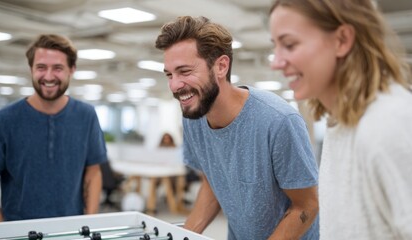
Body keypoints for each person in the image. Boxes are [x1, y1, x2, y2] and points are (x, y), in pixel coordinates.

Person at [155, 16, 319, 240]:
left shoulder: (278, 121)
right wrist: (185, 235)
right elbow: (213, 183)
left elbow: (306, 206)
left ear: (221, 66)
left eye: (184, 72)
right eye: (169, 74)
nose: (174, 85)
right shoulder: (193, 117)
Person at [269, 0, 412, 239]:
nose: (276, 62)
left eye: (290, 45)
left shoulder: (391, 123)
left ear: (342, 40)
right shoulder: (340, 123)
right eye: (275, 47)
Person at [0, 34, 107, 222]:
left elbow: (93, 172)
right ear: (31, 69)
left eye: (57, 68)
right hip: (19, 232)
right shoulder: (2, 121)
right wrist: (3, 233)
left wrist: (88, 225)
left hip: (71, 231)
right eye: (41, 67)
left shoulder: (86, 116)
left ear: (71, 70)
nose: (48, 76)